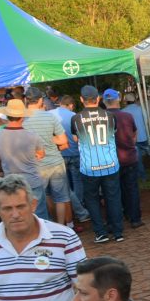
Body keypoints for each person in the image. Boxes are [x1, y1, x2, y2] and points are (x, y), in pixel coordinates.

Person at [73, 86, 124, 243]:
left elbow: (76, 138)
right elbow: (113, 133)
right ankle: (118, 232)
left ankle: (100, 233)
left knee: (92, 200)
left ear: (81, 99)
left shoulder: (76, 118)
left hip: (90, 166)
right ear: (98, 98)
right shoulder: (110, 116)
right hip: (110, 163)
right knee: (113, 197)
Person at [0, 99, 49, 221]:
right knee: (40, 216)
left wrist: (0, 170)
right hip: (32, 180)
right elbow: (41, 154)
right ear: (22, 117)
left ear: (7, 116)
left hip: (12, 183)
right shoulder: (32, 136)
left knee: (17, 218)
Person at [22, 87, 72, 227]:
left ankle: (49, 225)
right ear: (40, 100)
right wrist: (49, 139)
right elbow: (63, 140)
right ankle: (61, 226)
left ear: (26, 100)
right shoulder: (50, 116)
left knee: (43, 197)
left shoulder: (22, 119)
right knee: (60, 198)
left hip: (36, 165)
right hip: (55, 162)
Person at [105, 89, 143, 229]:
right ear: (118, 99)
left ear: (104, 101)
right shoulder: (127, 116)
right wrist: (130, 144)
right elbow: (134, 134)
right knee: (131, 189)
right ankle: (135, 218)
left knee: (113, 192)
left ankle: (115, 221)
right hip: (129, 157)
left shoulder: (102, 118)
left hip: (111, 159)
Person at [55, 94, 92, 226]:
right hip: (75, 153)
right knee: (77, 181)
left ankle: (75, 209)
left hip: (60, 153)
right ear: (70, 105)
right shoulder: (75, 116)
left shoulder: (51, 114)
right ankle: (79, 207)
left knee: (65, 185)